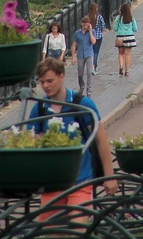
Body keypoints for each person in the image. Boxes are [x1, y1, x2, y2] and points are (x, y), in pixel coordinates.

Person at [30, 59, 118, 213]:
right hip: (52, 182)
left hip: (81, 179)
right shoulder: (39, 108)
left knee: (77, 227)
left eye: (50, 81)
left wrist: (109, 176)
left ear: (62, 76)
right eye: (42, 82)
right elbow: (30, 141)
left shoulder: (81, 104)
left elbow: (101, 139)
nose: (45, 86)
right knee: (50, 230)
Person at [70, 18, 96, 95]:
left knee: (89, 72)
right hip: (80, 55)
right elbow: (74, 45)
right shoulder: (77, 33)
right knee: (80, 73)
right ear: (81, 24)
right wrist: (73, 56)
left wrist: (90, 32)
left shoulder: (92, 31)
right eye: (84, 24)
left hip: (89, 54)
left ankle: (89, 90)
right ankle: (82, 86)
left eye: (87, 24)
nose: (85, 26)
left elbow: (93, 42)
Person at [112, 4, 137, 77]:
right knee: (128, 54)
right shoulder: (131, 18)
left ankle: (121, 66)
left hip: (120, 38)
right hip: (130, 37)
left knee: (120, 54)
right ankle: (127, 71)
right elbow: (135, 29)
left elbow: (115, 29)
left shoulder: (118, 18)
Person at [88, 3, 106, 75]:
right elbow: (103, 25)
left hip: (90, 37)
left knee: (91, 52)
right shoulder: (99, 17)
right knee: (96, 52)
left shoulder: (87, 17)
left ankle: (91, 66)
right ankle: (94, 67)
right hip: (98, 36)